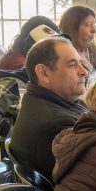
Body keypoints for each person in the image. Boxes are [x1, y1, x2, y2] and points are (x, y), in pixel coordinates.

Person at [9, 37, 88, 180]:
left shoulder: (41, 101)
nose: (84, 72)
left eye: (81, 63)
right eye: (72, 65)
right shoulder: (57, 124)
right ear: (44, 73)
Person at [59, 5, 96, 72]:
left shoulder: (92, 50)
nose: (94, 30)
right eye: (88, 25)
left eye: (94, 25)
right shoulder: (65, 57)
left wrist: (90, 68)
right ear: (73, 29)